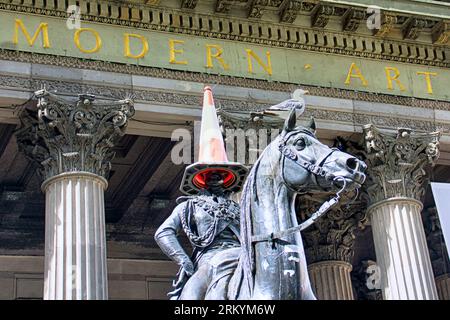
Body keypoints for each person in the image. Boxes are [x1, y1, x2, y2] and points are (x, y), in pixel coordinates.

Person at [154, 86, 248, 299]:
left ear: (226, 178)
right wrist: (184, 260)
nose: (215, 178)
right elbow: (163, 232)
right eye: (210, 175)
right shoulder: (189, 206)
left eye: (219, 174)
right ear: (201, 179)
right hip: (209, 259)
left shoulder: (238, 207)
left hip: (243, 256)